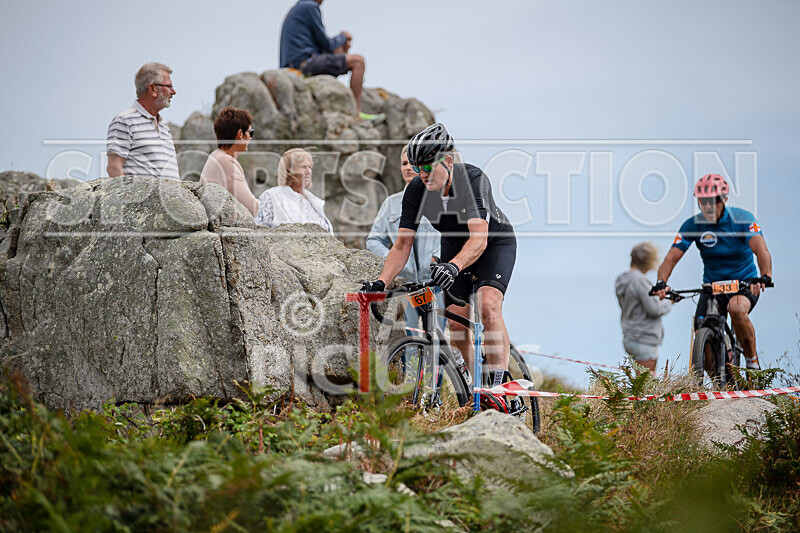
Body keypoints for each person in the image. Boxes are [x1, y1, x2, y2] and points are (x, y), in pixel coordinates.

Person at [361, 123, 517, 391]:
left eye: (426, 167)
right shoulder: (416, 191)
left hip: (492, 244)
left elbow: (479, 239)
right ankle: (474, 390)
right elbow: (401, 246)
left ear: (447, 161)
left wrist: (454, 266)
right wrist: (381, 283)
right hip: (454, 247)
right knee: (457, 327)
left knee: (488, 305)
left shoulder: (472, 179)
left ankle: (500, 386)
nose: (420, 174)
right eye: (415, 167)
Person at [653, 174, 773, 370]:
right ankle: (719, 384)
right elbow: (671, 258)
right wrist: (661, 282)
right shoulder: (693, 225)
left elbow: (761, 251)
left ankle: (752, 361)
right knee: (701, 329)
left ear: (723, 199)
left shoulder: (743, 219)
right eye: (702, 202)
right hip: (713, 287)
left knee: (736, 310)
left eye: (712, 201)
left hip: (744, 283)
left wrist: (765, 275)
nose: (707, 206)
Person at [367, 146, 446, 335]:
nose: (408, 168)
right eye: (404, 163)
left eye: (412, 163)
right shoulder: (391, 204)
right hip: (406, 286)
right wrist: (392, 260)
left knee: (436, 341)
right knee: (408, 341)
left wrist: (437, 257)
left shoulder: (438, 198)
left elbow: (450, 234)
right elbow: (373, 240)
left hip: (433, 285)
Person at [279, 0, 384, 123]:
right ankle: (357, 112)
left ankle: (342, 91)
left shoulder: (299, 7)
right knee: (358, 61)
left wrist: (340, 44)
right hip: (304, 64)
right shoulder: (310, 7)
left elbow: (324, 46)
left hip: (295, 63)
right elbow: (327, 44)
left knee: (339, 49)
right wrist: (343, 36)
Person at [106, 62, 179, 180]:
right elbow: (114, 168)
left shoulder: (164, 126)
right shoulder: (124, 121)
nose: (173, 91)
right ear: (153, 89)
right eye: (169, 86)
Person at [615, 242, 673, 372]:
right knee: (645, 386)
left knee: (639, 383)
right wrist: (670, 301)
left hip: (629, 336)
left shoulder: (622, 279)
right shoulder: (640, 281)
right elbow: (655, 309)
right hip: (644, 338)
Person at [199, 106, 259, 217]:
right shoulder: (225, 162)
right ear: (240, 134)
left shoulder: (216, 156)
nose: (250, 138)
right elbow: (252, 208)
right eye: (250, 133)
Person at [256, 148, 333, 233]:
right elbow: (259, 232)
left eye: (309, 167)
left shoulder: (314, 201)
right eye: (303, 167)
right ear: (289, 170)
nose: (308, 171)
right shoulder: (271, 197)